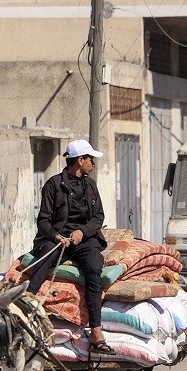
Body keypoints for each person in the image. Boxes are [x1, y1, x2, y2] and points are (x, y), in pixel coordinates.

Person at [25, 139, 114, 355]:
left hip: (85, 241)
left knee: (94, 268)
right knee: (44, 260)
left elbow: (98, 217)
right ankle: (25, 308)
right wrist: (56, 236)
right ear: (80, 160)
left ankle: (96, 331)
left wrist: (82, 233)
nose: (93, 163)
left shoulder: (90, 185)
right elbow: (43, 221)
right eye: (90, 158)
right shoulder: (53, 185)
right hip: (57, 241)